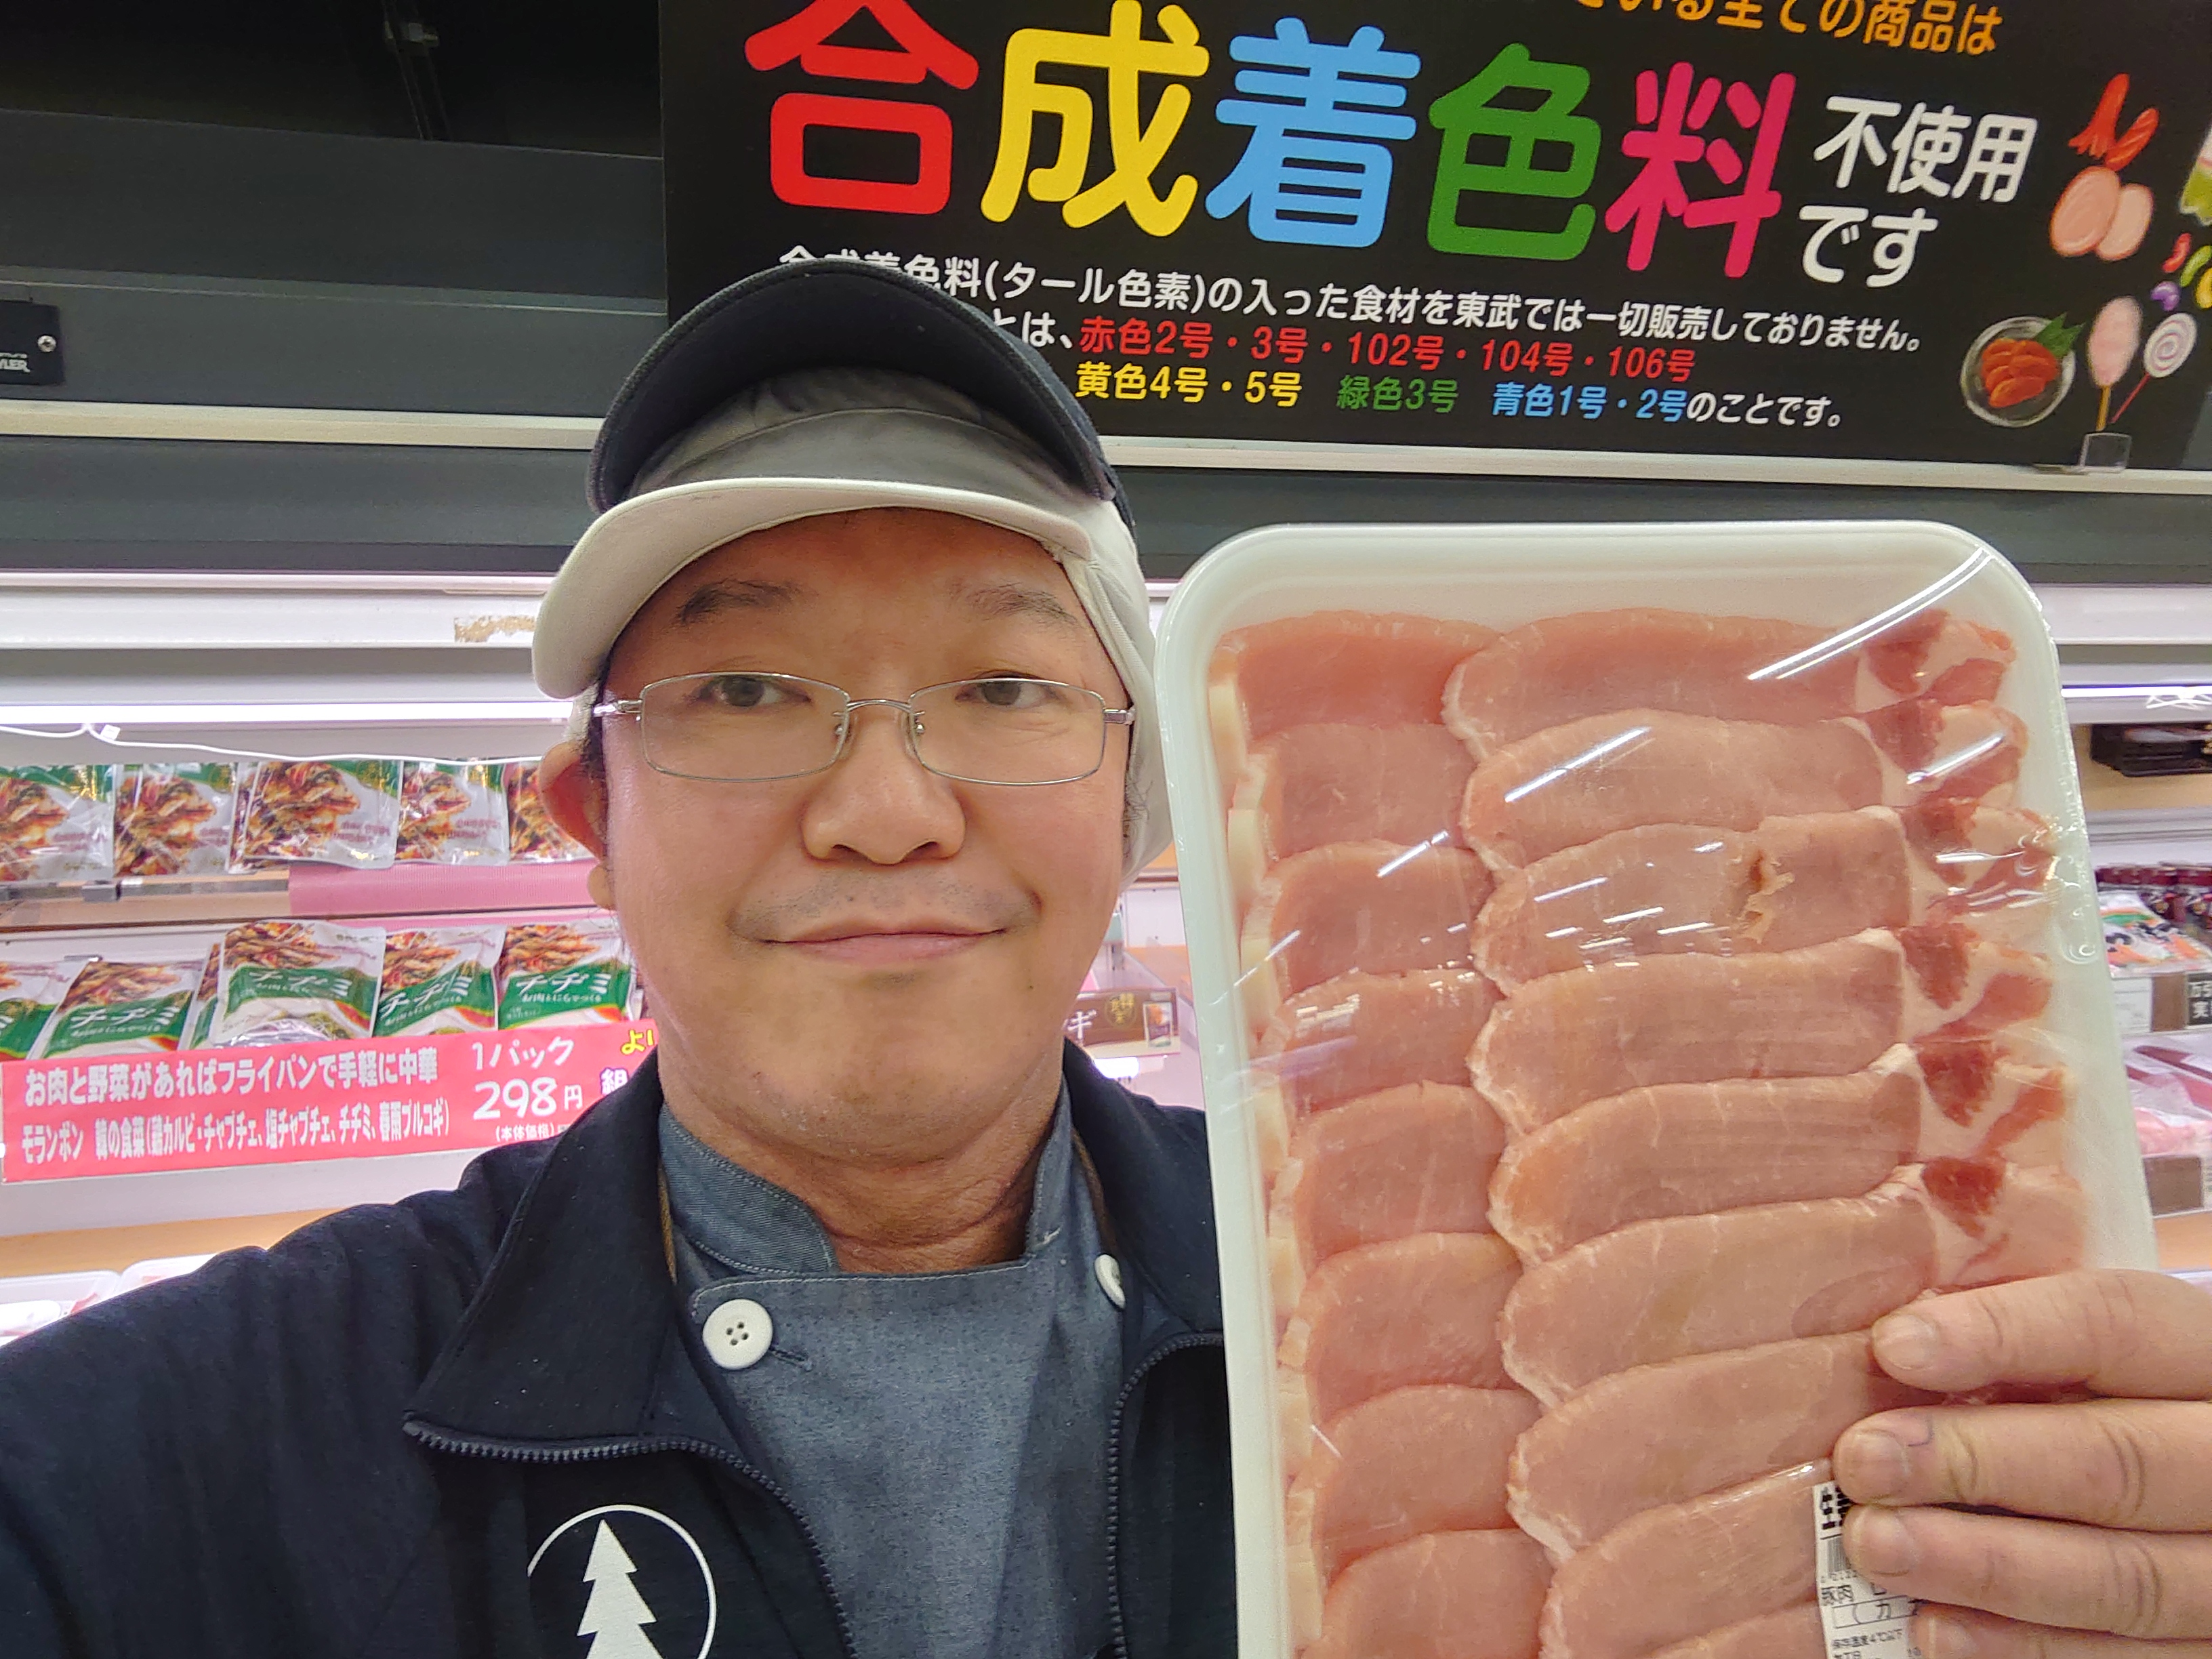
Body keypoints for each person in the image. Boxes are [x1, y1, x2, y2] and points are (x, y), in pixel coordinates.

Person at [0, 262, 2205, 1659]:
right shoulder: (175, 1455)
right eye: (746, 691)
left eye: (1002, 687)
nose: (886, 807)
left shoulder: (1400, 1330)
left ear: (1150, 813)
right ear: (586, 814)